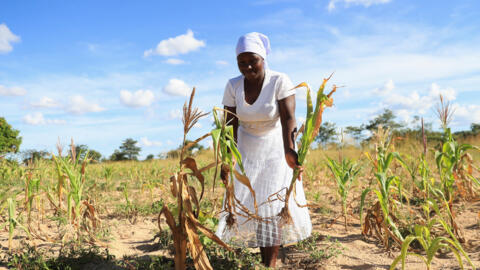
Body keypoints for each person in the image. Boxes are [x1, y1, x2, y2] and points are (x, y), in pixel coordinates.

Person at [216, 32, 312, 268]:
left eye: (253, 60)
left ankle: (268, 264)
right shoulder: (233, 86)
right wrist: (227, 159)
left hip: (275, 147)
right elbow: (229, 126)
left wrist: (290, 151)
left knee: (271, 207)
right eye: (242, 62)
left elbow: (289, 118)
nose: (247, 67)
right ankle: (262, 258)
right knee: (250, 204)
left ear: (263, 58)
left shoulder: (279, 81)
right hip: (245, 148)